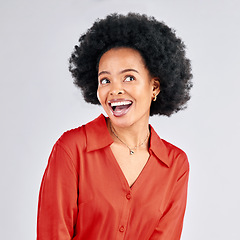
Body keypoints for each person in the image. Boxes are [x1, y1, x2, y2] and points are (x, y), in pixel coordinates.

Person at [37, 13, 193, 240]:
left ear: (155, 87)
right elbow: (53, 234)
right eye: (105, 80)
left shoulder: (175, 164)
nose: (115, 90)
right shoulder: (72, 149)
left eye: (129, 78)